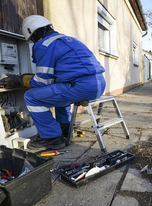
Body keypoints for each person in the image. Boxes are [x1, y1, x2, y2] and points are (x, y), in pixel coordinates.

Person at [0, 15, 106, 150]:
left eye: (32, 39)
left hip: (81, 86)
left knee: (31, 97)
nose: (33, 42)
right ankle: (65, 128)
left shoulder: (44, 44)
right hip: (99, 84)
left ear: (34, 33)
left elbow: (42, 81)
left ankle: (51, 138)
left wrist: (19, 80)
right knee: (57, 91)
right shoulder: (69, 40)